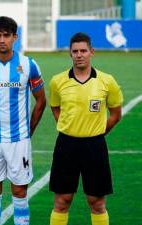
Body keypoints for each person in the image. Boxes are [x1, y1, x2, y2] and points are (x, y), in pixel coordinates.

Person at [0, 16, 46, 225]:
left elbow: (40, 100)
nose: (2, 40)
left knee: (20, 191)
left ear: (15, 37)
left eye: (7, 35)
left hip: (19, 140)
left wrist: (28, 130)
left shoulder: (28, 64)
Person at [49, 32, 123, 225]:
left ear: (92, 52)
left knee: (97, 202)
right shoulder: (57, 81)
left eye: (83, 50)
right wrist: (69, 126)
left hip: (95, 145)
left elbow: (115, 114)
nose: (79, 55)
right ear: (70, 54)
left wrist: (97, 132)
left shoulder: (107, 81)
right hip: (66, 144)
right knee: (62, 201)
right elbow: (55, 108)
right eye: (75, 51)